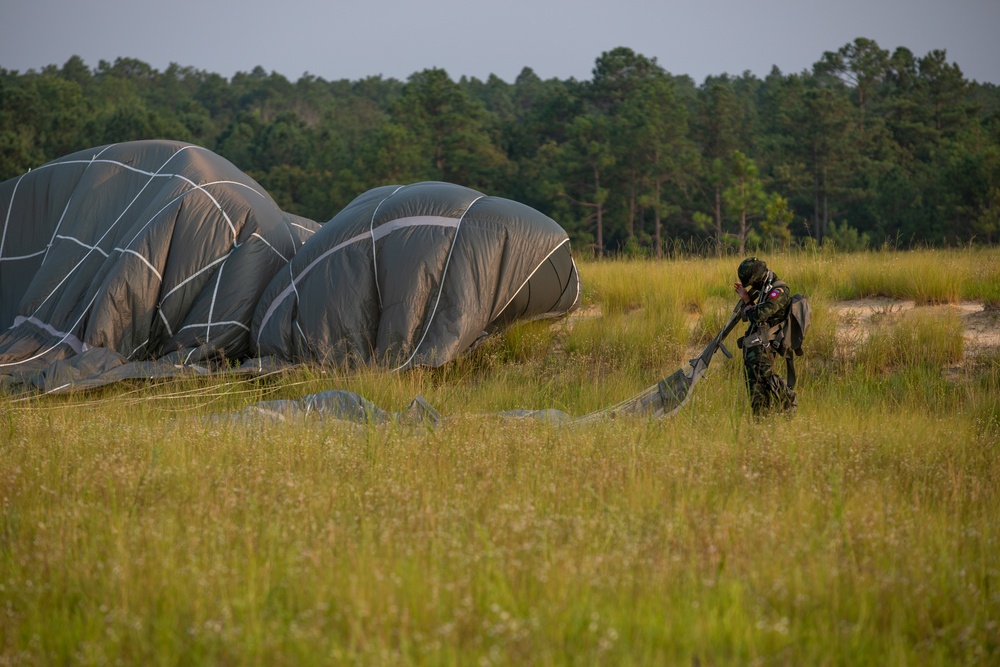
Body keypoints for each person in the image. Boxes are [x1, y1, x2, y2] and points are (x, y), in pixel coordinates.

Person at [734, 257, 797, 416]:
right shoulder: (765, 289)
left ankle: (789, 404)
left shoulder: (779, 291)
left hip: (764, 348)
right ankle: (761, 423)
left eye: (752, 282)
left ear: (758, 277)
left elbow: (761, 314)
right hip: (755, 347)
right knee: (756, 391)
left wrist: (748, 310)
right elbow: (757, 312)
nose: (752, 286)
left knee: (768, 381)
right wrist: (747, 299)